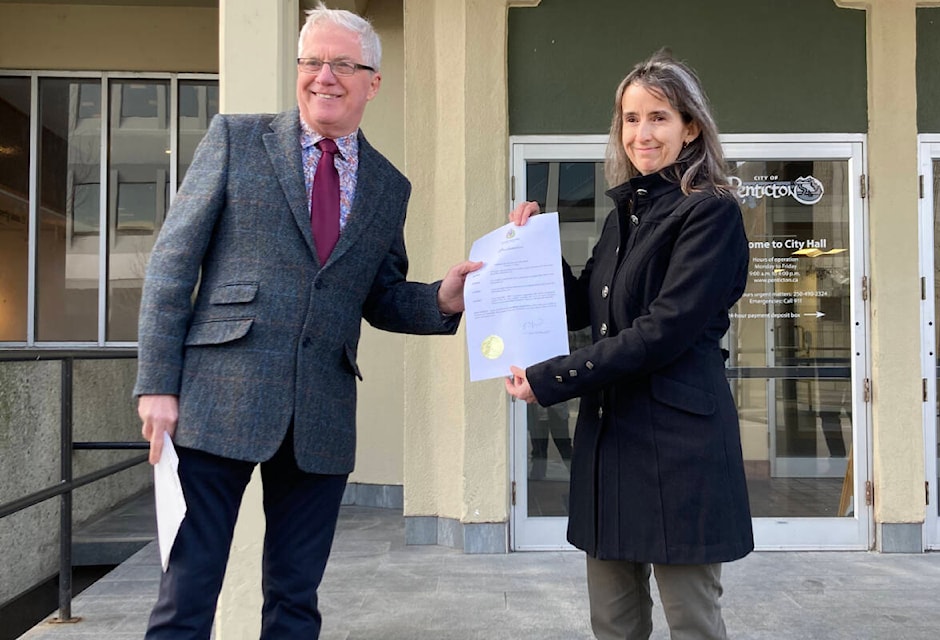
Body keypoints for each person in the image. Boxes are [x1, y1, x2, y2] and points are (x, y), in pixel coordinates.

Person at [134, 3, 481, 638]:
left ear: (372, 81)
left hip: (321, 412)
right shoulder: (238, 139)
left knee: (295, 601)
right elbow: (171, 263)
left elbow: (378, 296)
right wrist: (157, 383)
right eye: (313, 61)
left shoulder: (387, 185)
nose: (325, 76)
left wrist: (443, 300)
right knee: (186, 597)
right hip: (216, 403)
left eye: (343, 64)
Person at [505, 50, 754, 639]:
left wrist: (553, 379)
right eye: (630, 118)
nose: (642, 133)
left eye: (659, 117)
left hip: (679, 445)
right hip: (612, 439)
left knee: (691, 620)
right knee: (613, 623)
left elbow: (661, 331)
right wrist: (533, 250)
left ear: (690, 127)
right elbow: (585, 308)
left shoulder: (710, 213)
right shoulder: (625, 216)